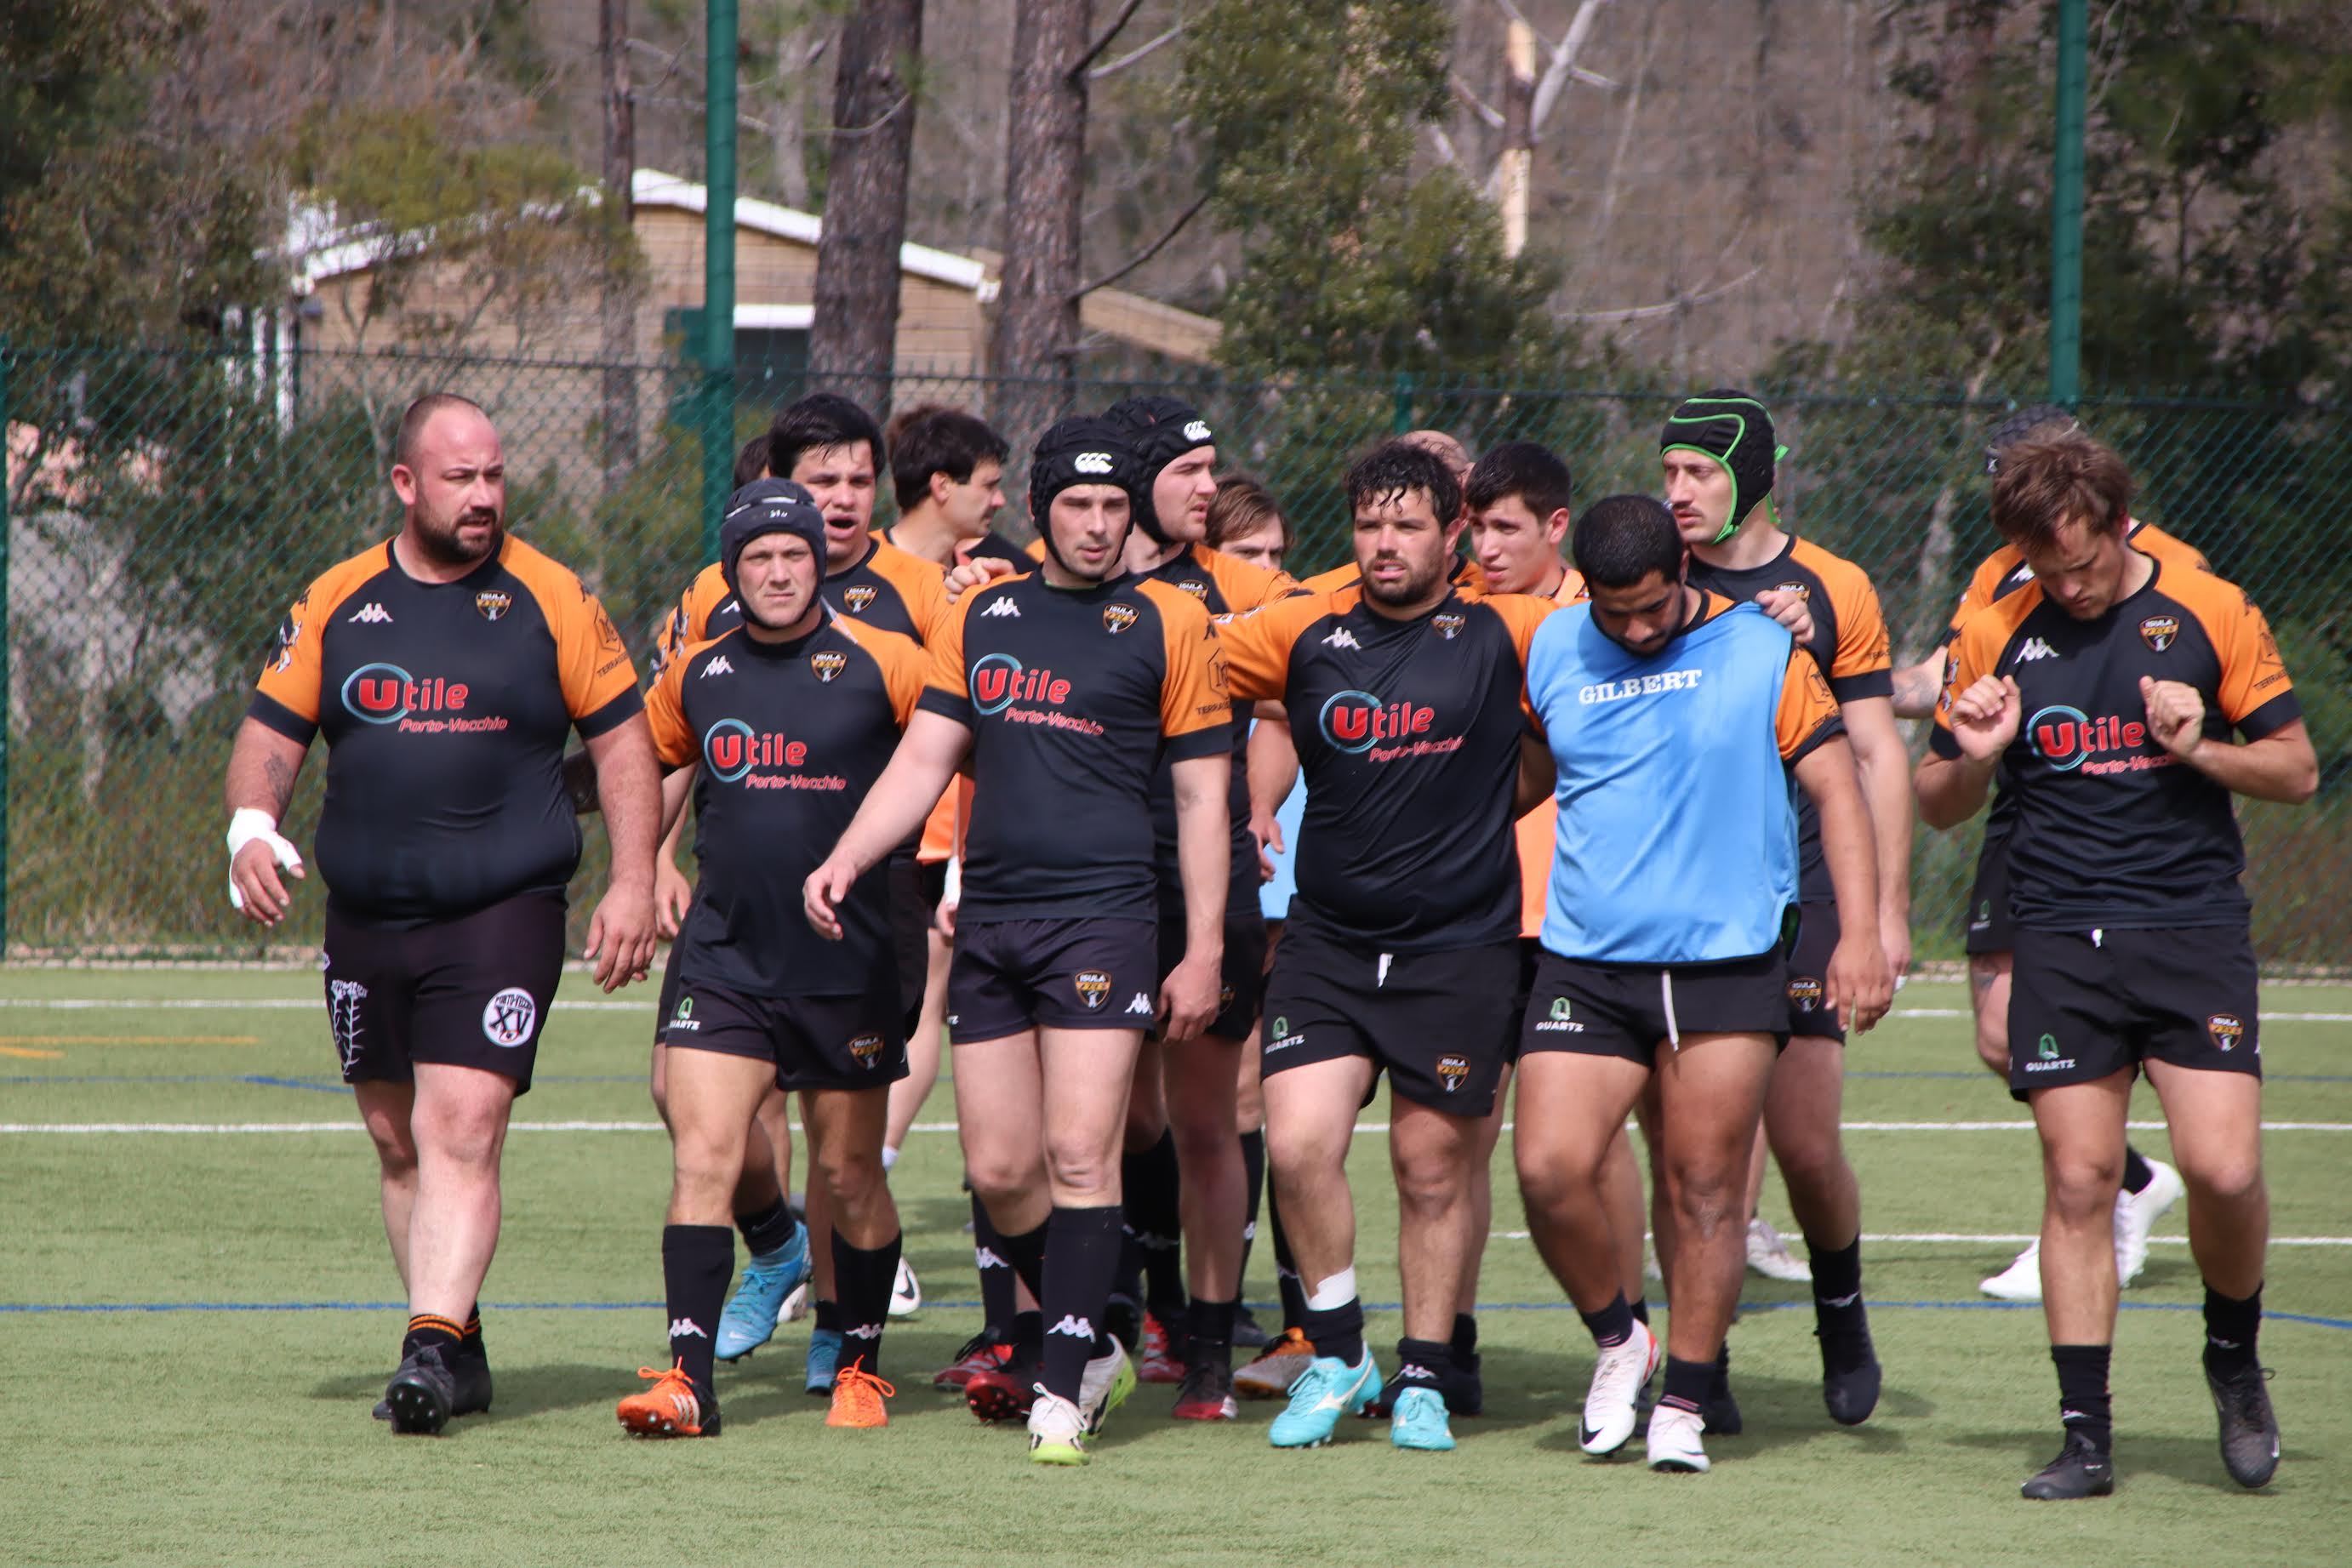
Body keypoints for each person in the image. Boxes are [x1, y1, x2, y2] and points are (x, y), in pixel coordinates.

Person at [225, 391, 659, 1434]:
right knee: (398, 1142)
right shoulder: (338, 598)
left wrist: (634, 879)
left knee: (461, 1123)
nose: (483, 495)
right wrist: (249, 827)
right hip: (367, 914)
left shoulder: (554, 596)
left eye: (494, 475)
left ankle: (424, 1350)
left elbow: (624, 745)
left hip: (501, 908)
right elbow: (271, 732)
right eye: (460, 478)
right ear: (406, 483)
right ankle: (459, 1344)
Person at [804, 416, 1231, 1468]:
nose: (1097, 524)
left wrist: (1204, 949)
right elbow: (923, 760)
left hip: (1106, 919)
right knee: (1000, 1169)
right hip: (992, 920)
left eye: (1114, 507)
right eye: (1077, 505)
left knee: (1080, 1150)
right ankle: (1095, 1334)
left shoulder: (1171, 620)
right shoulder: (982, 614)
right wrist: (847, 854)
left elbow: (1199, 797)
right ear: (1041, 510)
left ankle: (1065, 1379)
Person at [1917, 428, 2314, 1501]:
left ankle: (2232, 1358)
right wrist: (1975, 754)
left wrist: (2198, 747)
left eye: (2083, 563)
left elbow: (2295, 770)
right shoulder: (1994, 626)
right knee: (2079, 1180)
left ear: (2117, 524)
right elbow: (1937, 800)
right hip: (2058, 932)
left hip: (2190, 928)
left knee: (2223, 1169)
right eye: (2046, 570)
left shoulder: (2209, 608)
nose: (2069, 588)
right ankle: (2084, 1435)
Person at [1514, 493, 1891, 1475]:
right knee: (1548, 1168)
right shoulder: (1552, 645)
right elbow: (1522, 777)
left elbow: (1836, 790)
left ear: (1683, 572)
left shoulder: (1764, 648)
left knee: (1706, 1190)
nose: (1636, 630)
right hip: (1588, 958)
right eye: (1615, 613)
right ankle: (1620, 1340)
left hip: (1725, 959)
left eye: (1651, 607)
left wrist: (1859, 934)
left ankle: (1683, 1398)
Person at [1212, 440, 1554, 1456]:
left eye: (1406, 525)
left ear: (1454, 534)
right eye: (1368, 525)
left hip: (1459, 949)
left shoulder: (1511, 628)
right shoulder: (1303, 628)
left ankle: (1425, 1374)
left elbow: (1612, 677)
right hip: (1328, 940)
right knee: (1298, 1144)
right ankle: (1336, 1353)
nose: (1384, 543)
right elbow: (1179, 652)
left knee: (1430, 1168)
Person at [615, 482, 920, 1438]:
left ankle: (858, 1362)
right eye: (758, 558)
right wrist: (641, 867)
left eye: (794, 555)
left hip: (848, 959)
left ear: (818, 561)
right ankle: (688, 1380)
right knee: (702, 1154)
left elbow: (957, 755)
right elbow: (655, 765)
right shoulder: (698, 671)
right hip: (726, 955)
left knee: (848, 1173)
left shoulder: (888, 659)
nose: (779, 572)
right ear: (732, 572)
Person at [1890, 406, 2195, 1303]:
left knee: (2106, 1037)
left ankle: (2092, 1210)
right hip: (2026, 810)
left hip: (2135, 835)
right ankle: (2130, 1179)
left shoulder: (2172, 566)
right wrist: (1842, 675)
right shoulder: (1998, 571)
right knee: (2002, 1035)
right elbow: (1945, 680)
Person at [1659, 390, 1909, 1429]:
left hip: (1800, 891)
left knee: (1803, 1147)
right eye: (1668, 471)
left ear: (1755, 477)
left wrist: (1882, 915)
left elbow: (1875, 750)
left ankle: (1840, 1308)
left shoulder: (1832, 585)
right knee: (1694, 1155)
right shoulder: (1647, 573)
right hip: (1683, 892)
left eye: (1700, 472)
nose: (1678, 492)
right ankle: (1699, 1360)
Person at [1097, 396, 1303, 1417]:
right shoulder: (1061, 581)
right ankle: (1131, 1310)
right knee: (1117, 1119)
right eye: (1187, 471)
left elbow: (1285, 707)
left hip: (1202, 881)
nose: (1208, 489)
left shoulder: (1243, 589)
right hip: (1090, 886)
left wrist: (1255, 804)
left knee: (1210, 1120)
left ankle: (1210, 1347)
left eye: (1211, 468)